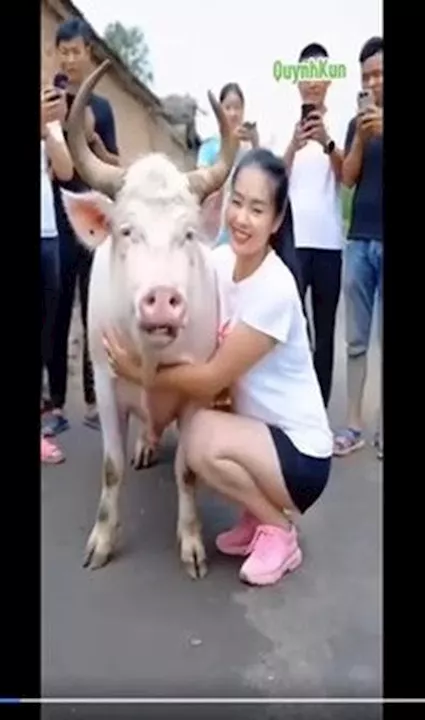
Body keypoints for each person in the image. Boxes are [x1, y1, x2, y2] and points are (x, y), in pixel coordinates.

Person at [102, 149, 332, 587]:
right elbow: (173, 256)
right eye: (238, 202)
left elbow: (211, 378)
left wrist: (137, 373)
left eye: (258, 208)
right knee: (202, 420)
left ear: (278, 221)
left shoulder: (276, 288)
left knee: (200, 438)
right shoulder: (222, 264)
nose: (242, 218)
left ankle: (280, 532)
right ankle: (254, 518)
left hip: (302, 458)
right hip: (260, 438)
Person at [45, 17, 120, 436]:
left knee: (96, 310)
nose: (71, 59)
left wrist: (91, 140)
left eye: (77, 51)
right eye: (64, 51)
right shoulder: (47, 100)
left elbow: (115, 164)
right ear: (57, 55)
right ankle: (55, 404)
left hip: (93, 218)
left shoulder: (104, 108)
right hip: (57, 219)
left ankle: (95, 400)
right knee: (56, 315)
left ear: (89, 53)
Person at [284, 42, 346, 409]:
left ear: (328, 81)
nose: (312, 83)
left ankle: (318, 409)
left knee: (325, 332)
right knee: (294, 329)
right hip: (294, 242)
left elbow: (347, 178)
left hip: (329, 245)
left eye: (318, 75)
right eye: (304, 75)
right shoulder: (284, 126)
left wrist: (327, 142)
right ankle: (293, 401)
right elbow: (275, 177)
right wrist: (293, 145)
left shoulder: (338, 128)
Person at [335, 36, 384, 459]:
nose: (372, 81)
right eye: (366, 75)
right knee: (356, 341)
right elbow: (348, 179)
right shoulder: (357, 125)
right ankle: (353, 426)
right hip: (359, 240)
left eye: (379, 74)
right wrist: (361, 139)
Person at [41, 82, 75, 464]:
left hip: (48, 238)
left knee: (45, 332)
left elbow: (65, 170)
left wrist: (49, 132)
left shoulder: (47, 124)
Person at [197, 83, 259, 247]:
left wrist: (255, 143)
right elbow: (202, 184)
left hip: (243, 233)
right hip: (213, 236)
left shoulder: (250, 149)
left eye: (237, 108)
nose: (233, 113)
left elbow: (262, 181)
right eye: (227, 107)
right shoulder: (209, 147)